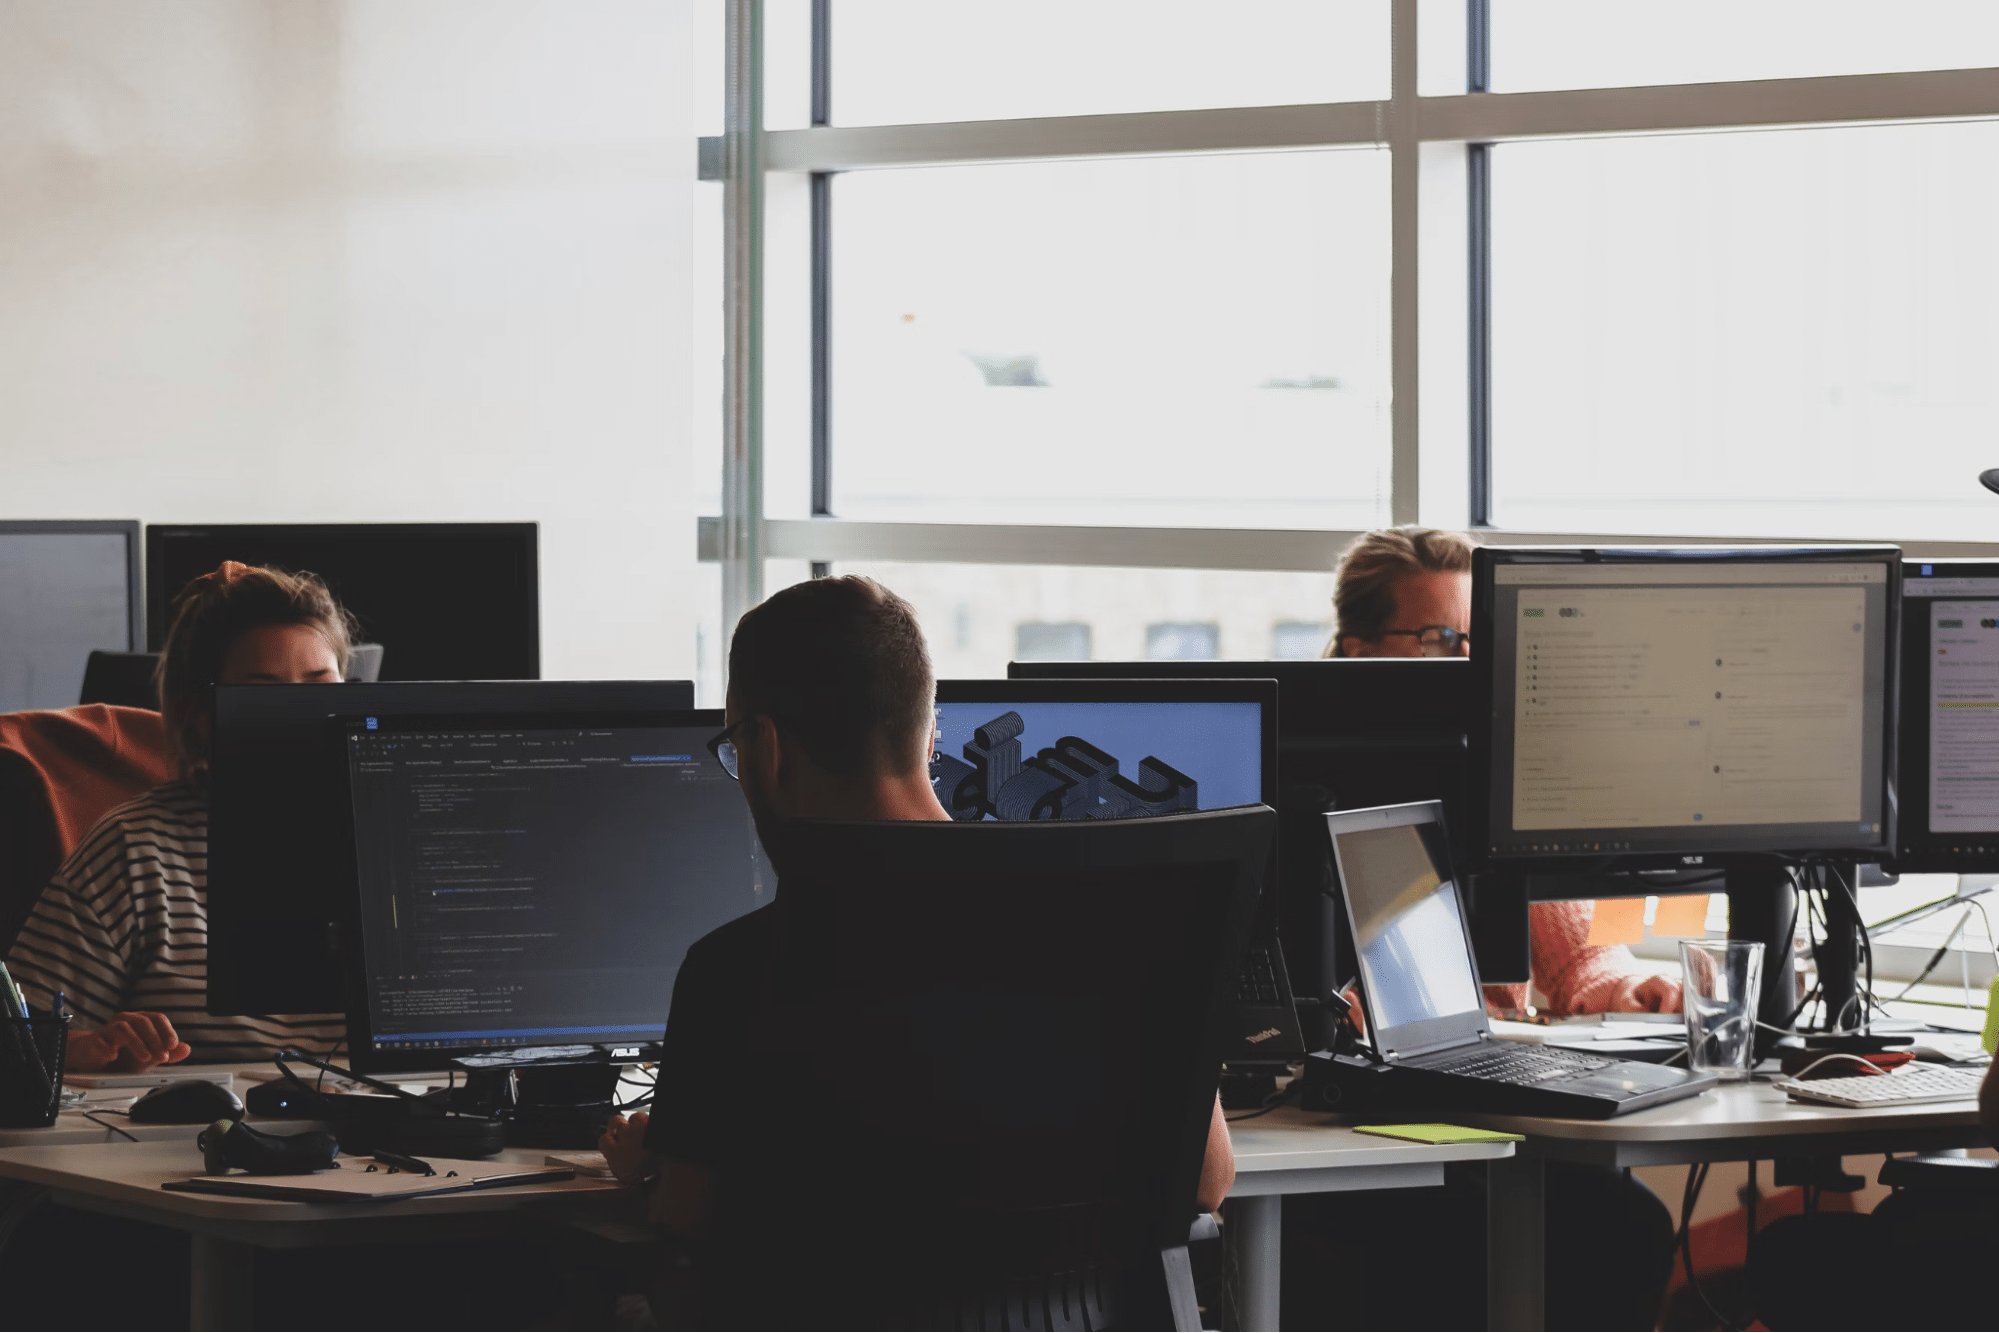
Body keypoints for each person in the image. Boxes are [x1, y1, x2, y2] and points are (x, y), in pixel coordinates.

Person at [598, 575, 1234, 1325]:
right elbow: (1207, 1179)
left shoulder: (738, 969)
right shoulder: (1117, 921)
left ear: (765, 748)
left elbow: (689, 1213)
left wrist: (646, 1170)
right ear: (929, 738)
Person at [5, 562, 349, 1070]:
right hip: (209, 1139)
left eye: (320, 688)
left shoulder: (405, 829)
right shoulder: (136, 849)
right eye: (263, 695)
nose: (300, 716)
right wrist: (86, 1048)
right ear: (199, 717)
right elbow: (15, 1050)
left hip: (412, 1128)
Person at [1327, 525, 1682, 1017]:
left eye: (1484, 638)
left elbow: (1582, 956)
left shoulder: (1503, 776)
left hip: (1479, 1069)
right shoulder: (1298, 785)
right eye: (1441, 639)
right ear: (1360, 650)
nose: (1472, 661)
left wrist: (1630, 987)